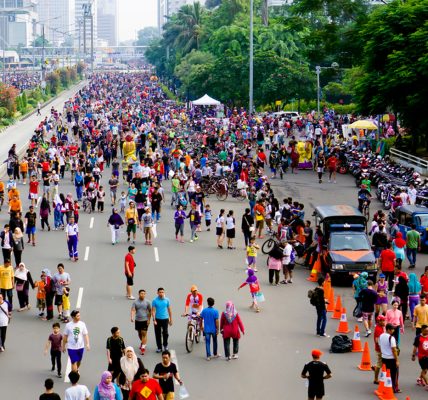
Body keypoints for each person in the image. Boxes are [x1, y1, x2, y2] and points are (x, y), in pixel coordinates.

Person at [379, 323, 401, 393]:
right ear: (388, 329)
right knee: (394, 374)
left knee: (385, 373)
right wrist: (397, 360)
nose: (393, 331)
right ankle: (394, 388)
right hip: (391, 359)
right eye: (392, 329)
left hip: (384, 358)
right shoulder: (391, 338)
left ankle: (385, 386)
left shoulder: (381, 336)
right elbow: (394, 350)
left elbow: (380, 345)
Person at [131, 289, 152, 355]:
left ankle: (143, 347)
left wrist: (149, 320)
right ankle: (143, 342)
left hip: (145, 320)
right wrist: (132, 317)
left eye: (144, 294)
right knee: (139, 333)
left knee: (144, 333)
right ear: (139, 294)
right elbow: (133, 310)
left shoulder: (148, 302)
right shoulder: (135, 302)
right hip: (137, 320)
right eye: (141, 293)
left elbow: (150, 311)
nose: (143, 295)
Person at [152, 287, 172, 353]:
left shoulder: (167, 300)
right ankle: (159, 347)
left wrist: (170, 319)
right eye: (160, 292)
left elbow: (169, 310)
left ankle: (165, 345)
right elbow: (153, 311)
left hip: (165, 319)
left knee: (165, 333)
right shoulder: (155, 301)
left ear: (164, 293)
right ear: (157, 293)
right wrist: (154, 320)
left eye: (162, 292)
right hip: (157, 319)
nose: (161, 293)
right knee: (158, 334)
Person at [373, 315, 386, 384]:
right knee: (379, 364)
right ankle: (376, 379)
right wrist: (382, 350)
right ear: (379, 321)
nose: (384, 322)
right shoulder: (378, 329)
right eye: (383, 321)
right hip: (380, 349)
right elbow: (377, 341)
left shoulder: (382, 327)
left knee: (382, 363)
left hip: (382, 349)